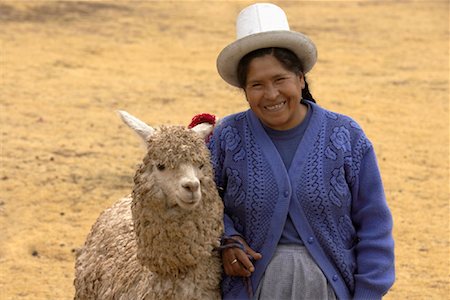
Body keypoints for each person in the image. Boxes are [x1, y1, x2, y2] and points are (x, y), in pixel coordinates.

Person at [207, 3, 395, 300]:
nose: (271, 95)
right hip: (250, 290)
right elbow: (206, 205)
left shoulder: (345, 137)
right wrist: (227, 240)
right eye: (257, 84)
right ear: (244, 90)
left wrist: (368, 292)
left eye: (280, 79)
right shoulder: (226, 138)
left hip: (330, 290)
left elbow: (374, 223)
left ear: (301, 78)